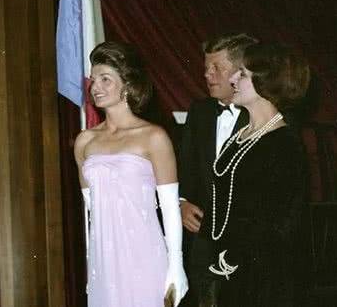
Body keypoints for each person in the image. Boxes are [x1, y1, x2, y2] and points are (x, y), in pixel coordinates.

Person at [76, 41, 188, 307]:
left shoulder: (153, 137)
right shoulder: (85, 141)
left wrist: (176, 266)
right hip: (105, 260)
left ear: (127, 83)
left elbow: (171, 209)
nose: (96, 87)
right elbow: (91, 210)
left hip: (144, 254)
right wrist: (93, 264)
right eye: (93, 80)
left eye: (105, 79)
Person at [205, 42, 310, 306]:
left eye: (242, 74)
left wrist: (234, 259)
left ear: (266, 82)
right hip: (228, 268)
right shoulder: (240, 137)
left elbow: (277, 222)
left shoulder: (284, 144)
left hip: (262, 278)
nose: (232, 79)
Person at [177, 32, 257, 307]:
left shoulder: (263, 118)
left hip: (245, 245)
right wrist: (182, 203)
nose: (208, 75)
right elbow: (184, 168)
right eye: (206, 68)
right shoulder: (198, 112)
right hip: (201, 240)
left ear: (241, 71)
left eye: (217, 68)